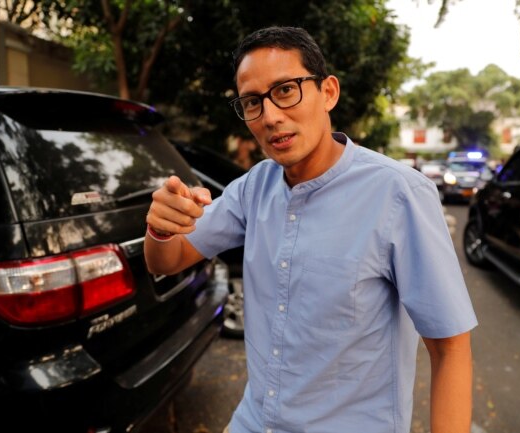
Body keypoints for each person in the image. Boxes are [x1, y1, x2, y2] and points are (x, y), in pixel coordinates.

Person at [145, 26, 477, 433]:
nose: (270, 116)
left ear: (328, 93)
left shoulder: (399, 194)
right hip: (254, 422)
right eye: (252, 102)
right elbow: (168, 259)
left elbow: (450, 348)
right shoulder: (253, 187)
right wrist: (161, 228)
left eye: (286, 90)